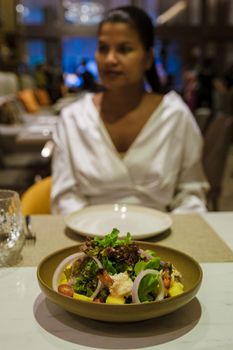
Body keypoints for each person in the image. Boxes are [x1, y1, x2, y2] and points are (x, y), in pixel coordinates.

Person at [51, 6, 209, 215]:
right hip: (88, 239)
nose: (110, 59)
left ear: (148, 58)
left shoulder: (174, 115)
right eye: (103, 48)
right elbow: (65, 198)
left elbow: (191, 194)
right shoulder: (73, 118)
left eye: (124, 49)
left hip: (161, 238)